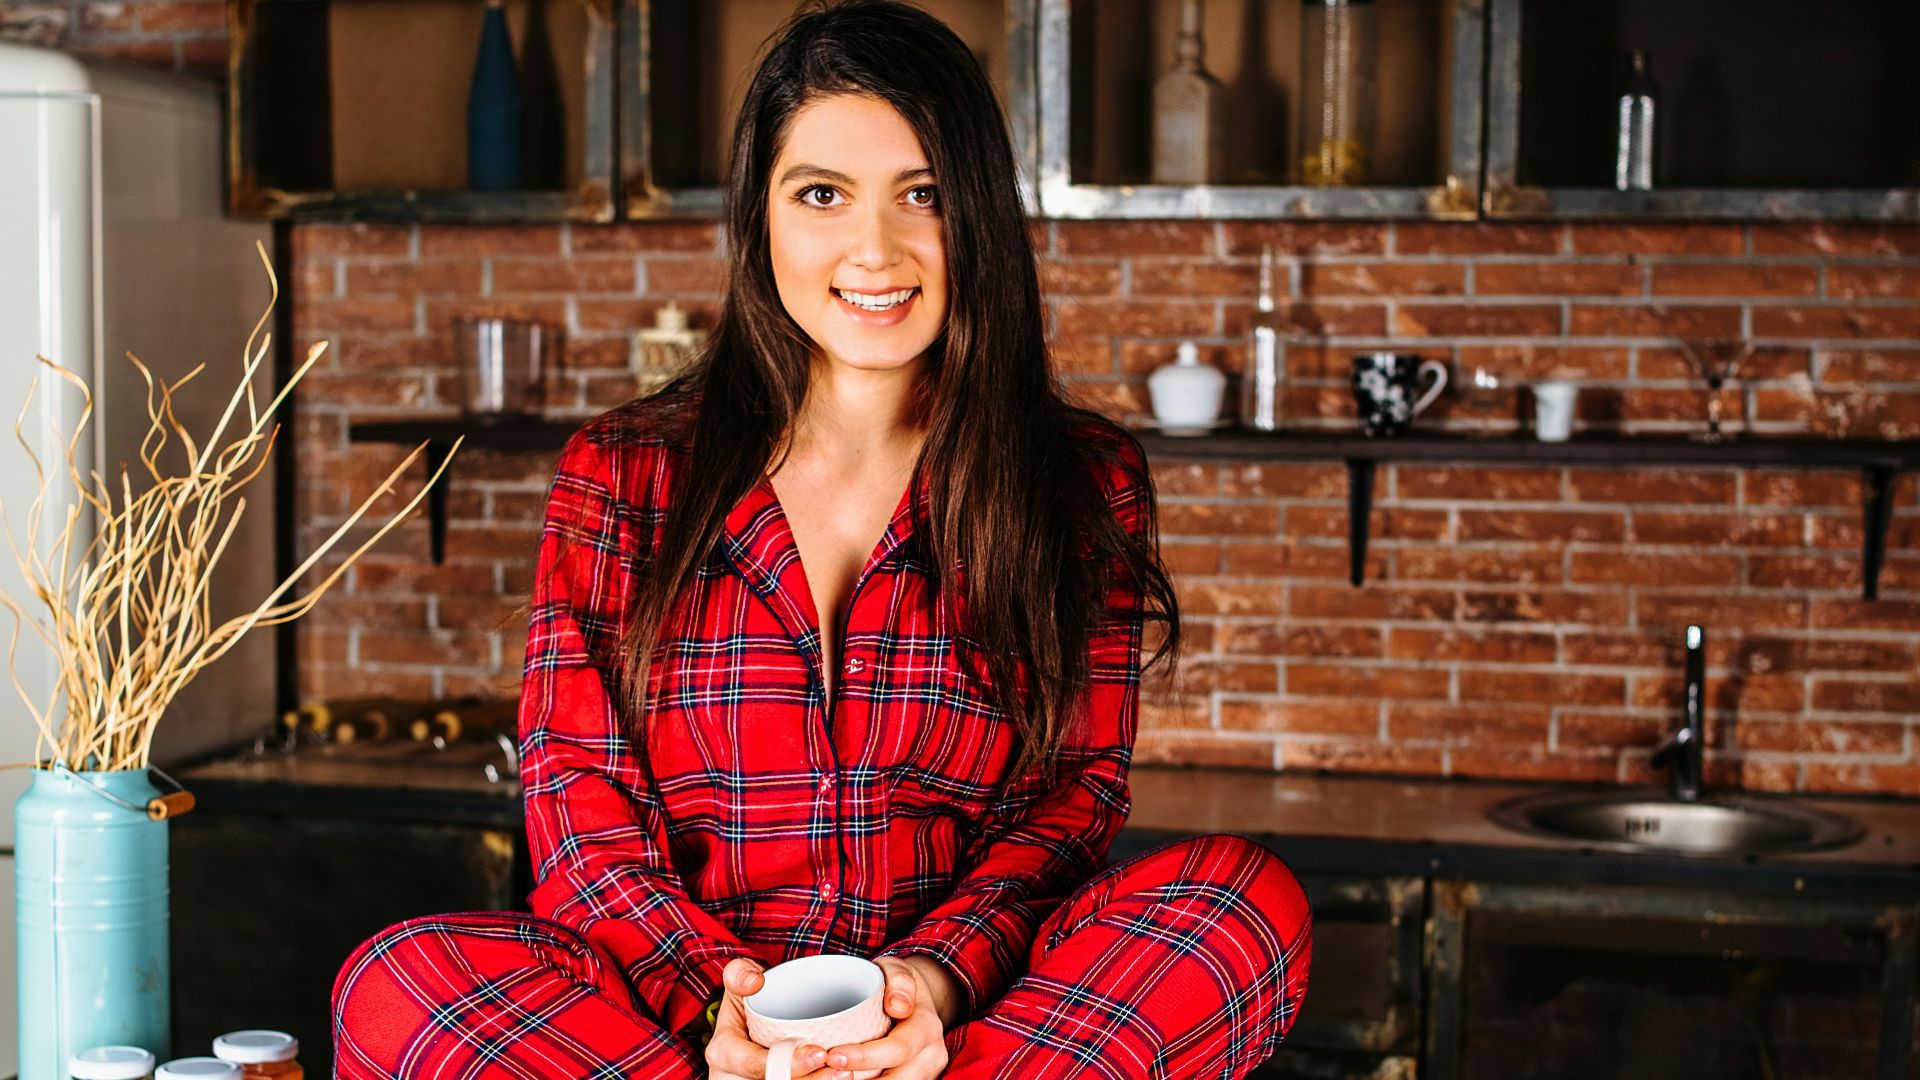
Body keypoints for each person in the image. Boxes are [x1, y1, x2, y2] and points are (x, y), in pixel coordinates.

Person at [331, 2, 1310, 1077]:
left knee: (1241, 905)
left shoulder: (1080, 481)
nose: (875, 250)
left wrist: (925, 986)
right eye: (822, 195)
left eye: (923, 194)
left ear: (976, 215)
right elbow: (578, 813)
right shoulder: (622, 475)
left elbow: (1066, 810)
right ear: (762, 217)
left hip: (959, 1027)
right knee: (400, 981)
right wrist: (727, 1017)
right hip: (688, 1029)